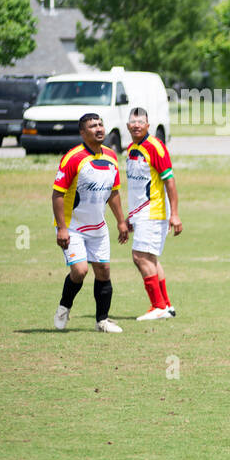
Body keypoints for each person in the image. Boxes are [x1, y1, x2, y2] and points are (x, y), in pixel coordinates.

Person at [51, 112, 130, 332]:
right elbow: (57, 194)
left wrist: (121, 222)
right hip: (73, 227)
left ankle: (102, 321)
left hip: (98, 226)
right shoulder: (73, 158)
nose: (99, 128)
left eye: (101, 124)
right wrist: (62, 228)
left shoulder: (112, 156)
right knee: (80, 271)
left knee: (104, 270)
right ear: (82, 132)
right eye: (93, 126)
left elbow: (114, 193)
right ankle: (64, 308)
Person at [124, 108, 181, 320]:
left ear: (148, 125)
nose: (137, 124)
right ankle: (165, 305)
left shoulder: (156, 147)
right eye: (133, 121)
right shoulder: (132, 148)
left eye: (141, 121)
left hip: (154, 210)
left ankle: (157, 307)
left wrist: (174, 214)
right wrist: (131, 216)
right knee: (150, 258)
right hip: (141, 213)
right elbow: (137, 187)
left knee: (139, 256)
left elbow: (170, 181)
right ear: (127, 125)